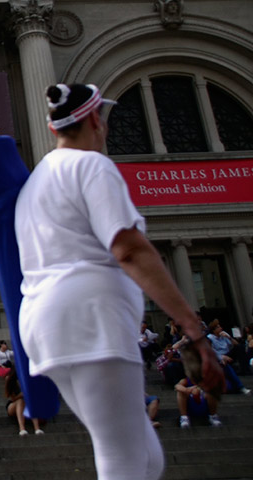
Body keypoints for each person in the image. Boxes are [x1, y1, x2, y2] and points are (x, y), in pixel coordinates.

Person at [14, 83, 223, 480]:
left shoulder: (36, 181)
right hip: (93, 319)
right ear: (95, 119)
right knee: (124, 458)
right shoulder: (91, 165)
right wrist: (194, 331)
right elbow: (129, 249)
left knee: (144, 455)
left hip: (45, 326)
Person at [4, 363, 43, 436]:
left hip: (27, 403)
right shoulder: (10, 379)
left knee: (29, 401)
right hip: (13, 404)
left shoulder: (27, 379)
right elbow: (12, 398)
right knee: (20, 401)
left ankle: (37, 428)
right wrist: (21, 395)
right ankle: (22, 428)